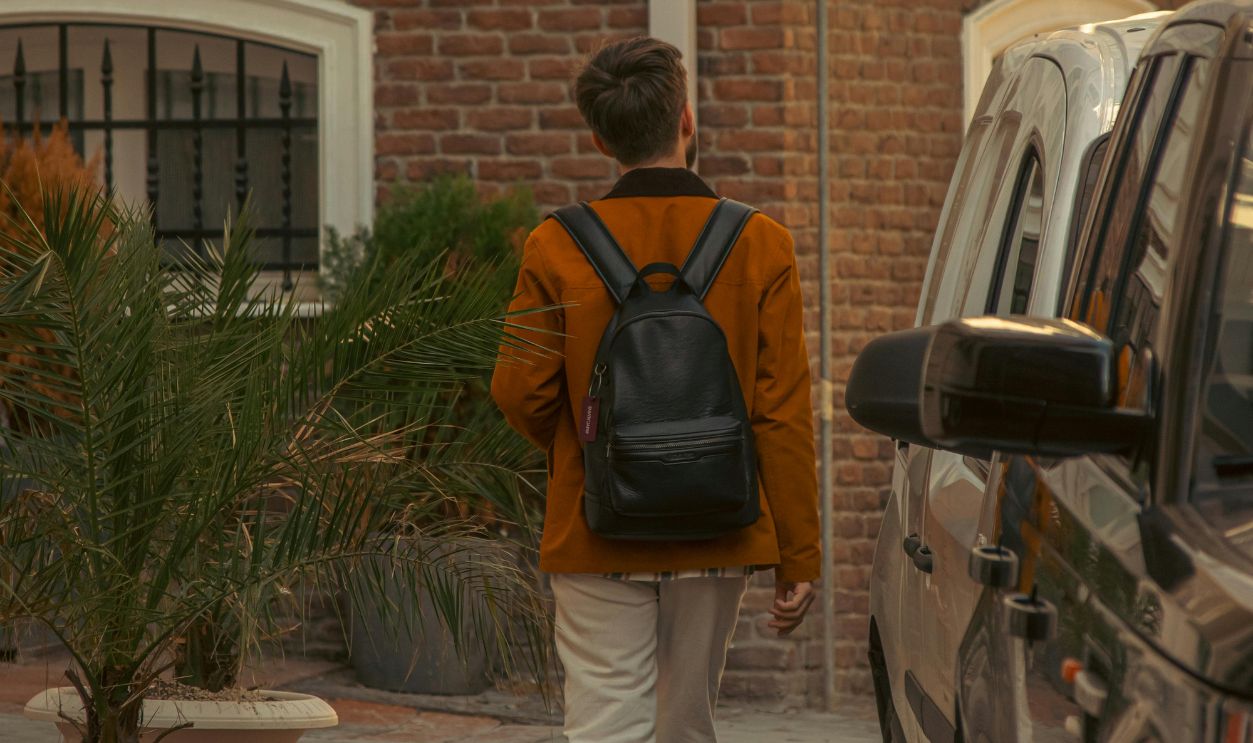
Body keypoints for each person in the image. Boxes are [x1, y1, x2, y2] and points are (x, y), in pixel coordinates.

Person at [490, 36, 821, 743]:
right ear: (687, 121)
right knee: (685, 725)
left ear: (599, 136)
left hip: (596, 524)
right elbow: (782, 412)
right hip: (717, 521)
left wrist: (587, 444)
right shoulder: (763, 243)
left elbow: (518, 392)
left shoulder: (554, 246)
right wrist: (797, 552)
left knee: (606, 723)